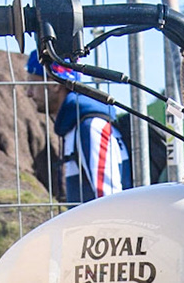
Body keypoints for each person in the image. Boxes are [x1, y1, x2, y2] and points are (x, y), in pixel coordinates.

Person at [27, 50, 132, 202]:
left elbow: (110, 202)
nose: (28, 93)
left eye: (32, 84)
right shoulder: (77, 125)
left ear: (54, 84)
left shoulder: (90, 128)